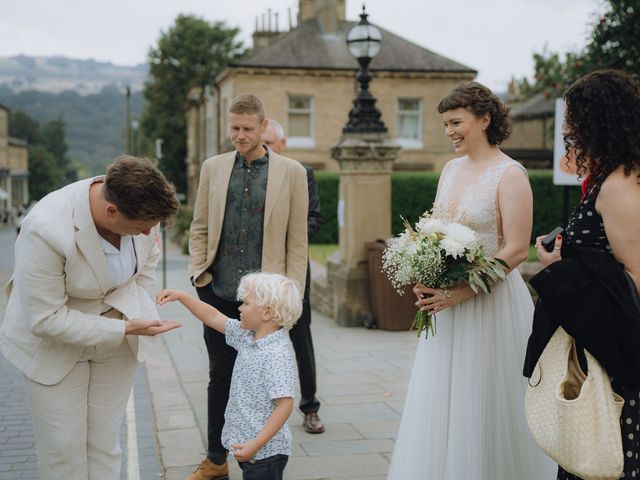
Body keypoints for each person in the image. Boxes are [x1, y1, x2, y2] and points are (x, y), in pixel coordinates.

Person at [387, 82, 556, 479]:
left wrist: (463, 290)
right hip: (447, 306)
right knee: (443, 399)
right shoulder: (449, 169)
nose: (449, 132)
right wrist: (425, 271)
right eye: (445, 124)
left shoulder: (510, 175)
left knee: (486, 399)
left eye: (456, 122)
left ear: (485, 120)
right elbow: (438, 232)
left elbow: (515, 250)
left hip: (491, 304)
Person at [0, 155, 181, 479]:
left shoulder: (140, 213)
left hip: (116, 344)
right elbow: (44, 319)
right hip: (52, 344)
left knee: (105, 445)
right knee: (63, 452)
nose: (148, 233)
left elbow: (146, 269)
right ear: (111, 211)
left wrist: (134, 312)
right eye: (142, 226)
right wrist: (124, 326)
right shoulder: (45, 228)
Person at [188, 94, 309, 480]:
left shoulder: (292, 172)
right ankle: (216, 459)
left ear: (263, 127)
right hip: (218, 290)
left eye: (246, 129)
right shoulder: (213, 168)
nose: (239, 136)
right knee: (219, 377)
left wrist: (289, 298)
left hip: (265, 301)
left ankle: (260, 453)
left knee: (263, 384)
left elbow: (297, 241)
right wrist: (198, 275)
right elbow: (200, 225)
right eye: (234, 128)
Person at [527, 69, 640, 480]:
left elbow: (633, 282)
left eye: (575, 119)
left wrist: (560, 271)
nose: (569, 128)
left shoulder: (621, 185)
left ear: (600, 119)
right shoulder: (608, 177)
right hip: (598, 342)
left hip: (618, 358)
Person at [157, 272, 302, 480]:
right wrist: (182, 296)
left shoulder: (276, 355)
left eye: (245, 303)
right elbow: (213, 317)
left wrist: (256, 444)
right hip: (249, 449)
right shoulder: (246, 336)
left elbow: (285, 405)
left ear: (267, 312)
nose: (239, 308)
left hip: (266, 454)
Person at [261, 118, 325, 434]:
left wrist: (284, 236)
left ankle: (310, 407)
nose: (265, 150)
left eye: (269, 144)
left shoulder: (302, 173)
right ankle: (262, 408)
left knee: (301, 338)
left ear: (282, 144)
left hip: (293, 270)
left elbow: (315, 220)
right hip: (257, 275)